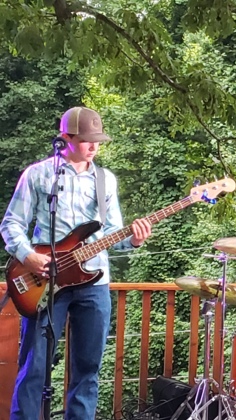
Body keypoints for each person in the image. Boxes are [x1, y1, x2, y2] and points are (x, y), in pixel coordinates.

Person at [1, 106, 153, 419]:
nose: (94, 146)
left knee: (88, 368)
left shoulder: (105, 180)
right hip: (46, 281)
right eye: (86, 139)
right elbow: (12, 223)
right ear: (66, 138)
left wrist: (134, 239)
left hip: (94, 283)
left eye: (97, 140)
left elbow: (112, 231)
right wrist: (28, 255)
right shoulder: (38, 174)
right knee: (35, 365)